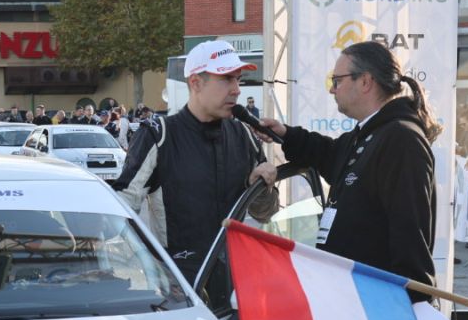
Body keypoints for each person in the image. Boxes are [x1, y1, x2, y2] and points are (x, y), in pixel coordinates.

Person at [256, 39, 439, 298]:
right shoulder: (369, 133)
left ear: (365, 82)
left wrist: (410, 304)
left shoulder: (400, 139)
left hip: (375, 302)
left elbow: (410, 237)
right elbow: (329, 155)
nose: (332, 90)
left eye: (337, 80)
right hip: (351, 295)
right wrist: (285, 134)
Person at [114, 39, 276, 279]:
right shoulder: (158, 135)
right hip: (179, 285)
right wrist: (144, 262)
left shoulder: (243, 134)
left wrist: (261, 188)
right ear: (196, 83)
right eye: (226, 79)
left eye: (238, 79)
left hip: (236, 281)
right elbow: (120, 210)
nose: (237, 89)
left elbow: (265, 213)